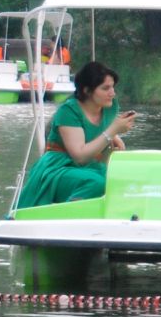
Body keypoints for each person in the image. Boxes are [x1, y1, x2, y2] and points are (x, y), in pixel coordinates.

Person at [15, 61, 137, 208]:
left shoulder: (110, 106)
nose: (112, 93)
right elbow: (79, 156)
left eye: (112, 87)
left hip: (91, 165)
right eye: (105, 88)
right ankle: (67, 215)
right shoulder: (69, 111)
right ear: (87, 90)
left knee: (124, 181)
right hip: (59, 166)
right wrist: (113, 131)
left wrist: (114, 137)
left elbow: (97, 129)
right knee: (96, 183)